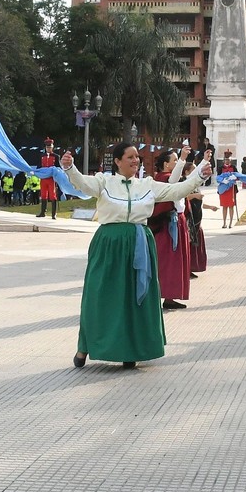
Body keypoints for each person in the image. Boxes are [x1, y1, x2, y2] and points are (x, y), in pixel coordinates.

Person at [61, 142, 211, 369]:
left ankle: (130, 349)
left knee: (134, 297)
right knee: (99, 293)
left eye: (137, 157)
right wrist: (70, 168)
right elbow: (83, 184)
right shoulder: (104, 182)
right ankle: (85, 347)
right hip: (109, 243)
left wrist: (199, 174)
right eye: (130, 157)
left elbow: (175, 191)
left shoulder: (147, 185)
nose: (135, 161)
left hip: (140, 243)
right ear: (118, 161)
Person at [150, 148, 195, 310]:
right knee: (167, 262)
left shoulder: (168, 179)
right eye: (174, 160)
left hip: (176, 223)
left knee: (174, 262)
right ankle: (159, 295)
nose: (177, 163)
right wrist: (183, 158)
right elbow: (173, 183)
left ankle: (169, 297)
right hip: (167, 226)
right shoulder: (163, 180)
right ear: (165, 164)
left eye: (178, 160)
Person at [36, 138, 61, 219]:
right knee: (43, 195)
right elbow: (39, 166)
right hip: (43, 179)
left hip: (51, 179)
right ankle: (43, 212)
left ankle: (54, 214)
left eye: (50, 147)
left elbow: (58, 168)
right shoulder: (42, 156)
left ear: (52, 147)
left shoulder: (56, 156)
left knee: (52, 195)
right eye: (47, 147)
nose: (48, 148)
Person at [217, 152, 241, 230]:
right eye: (226, 159)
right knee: (224, 206)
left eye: (228, 159)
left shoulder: (233, 167)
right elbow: (218, 177)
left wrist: (234, 177)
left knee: (231, 206)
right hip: (223, 189)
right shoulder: (220, 168)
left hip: (231, 189)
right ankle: (224, 222)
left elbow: (238, 176)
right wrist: (223, 180)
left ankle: (230, 222)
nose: (227, 161)